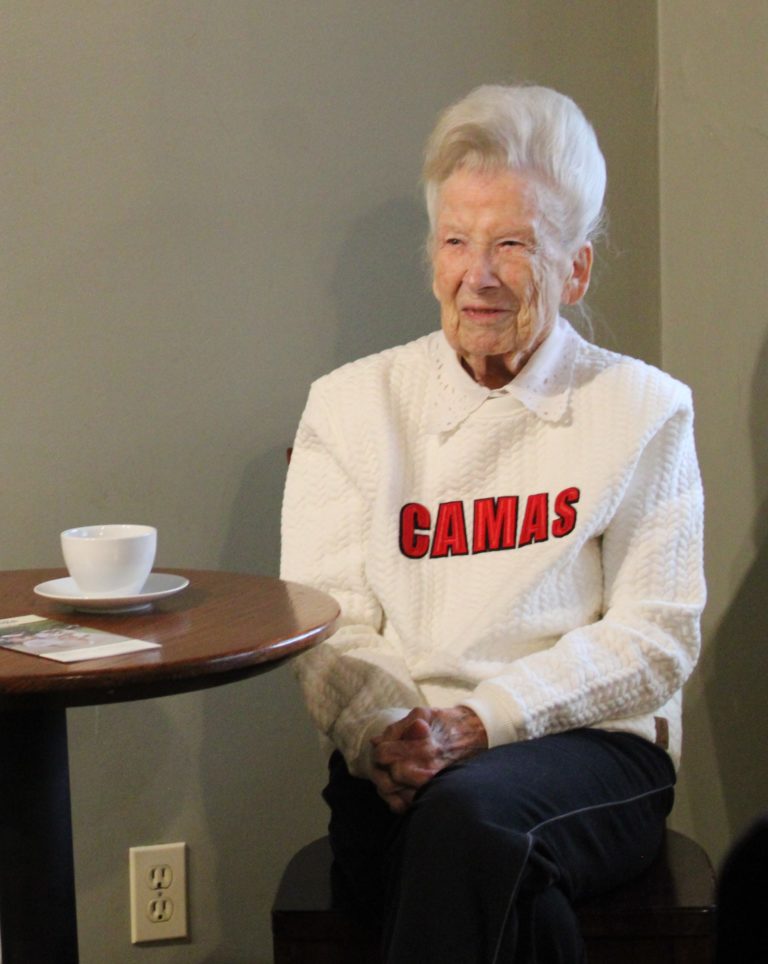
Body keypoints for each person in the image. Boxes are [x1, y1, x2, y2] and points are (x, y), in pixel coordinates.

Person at [280, 84, 705, 963]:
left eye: (513, 245)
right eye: (456, 242)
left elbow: (656, 638)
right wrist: (386, 728)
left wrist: (485, 721)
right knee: (488, 863)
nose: (478, 274)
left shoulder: (642, 410)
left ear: (576, 267)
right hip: (394, 765)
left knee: (471, 821)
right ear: (431, 256)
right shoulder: (350, 408)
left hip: (587, 757)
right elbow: (327, 620)